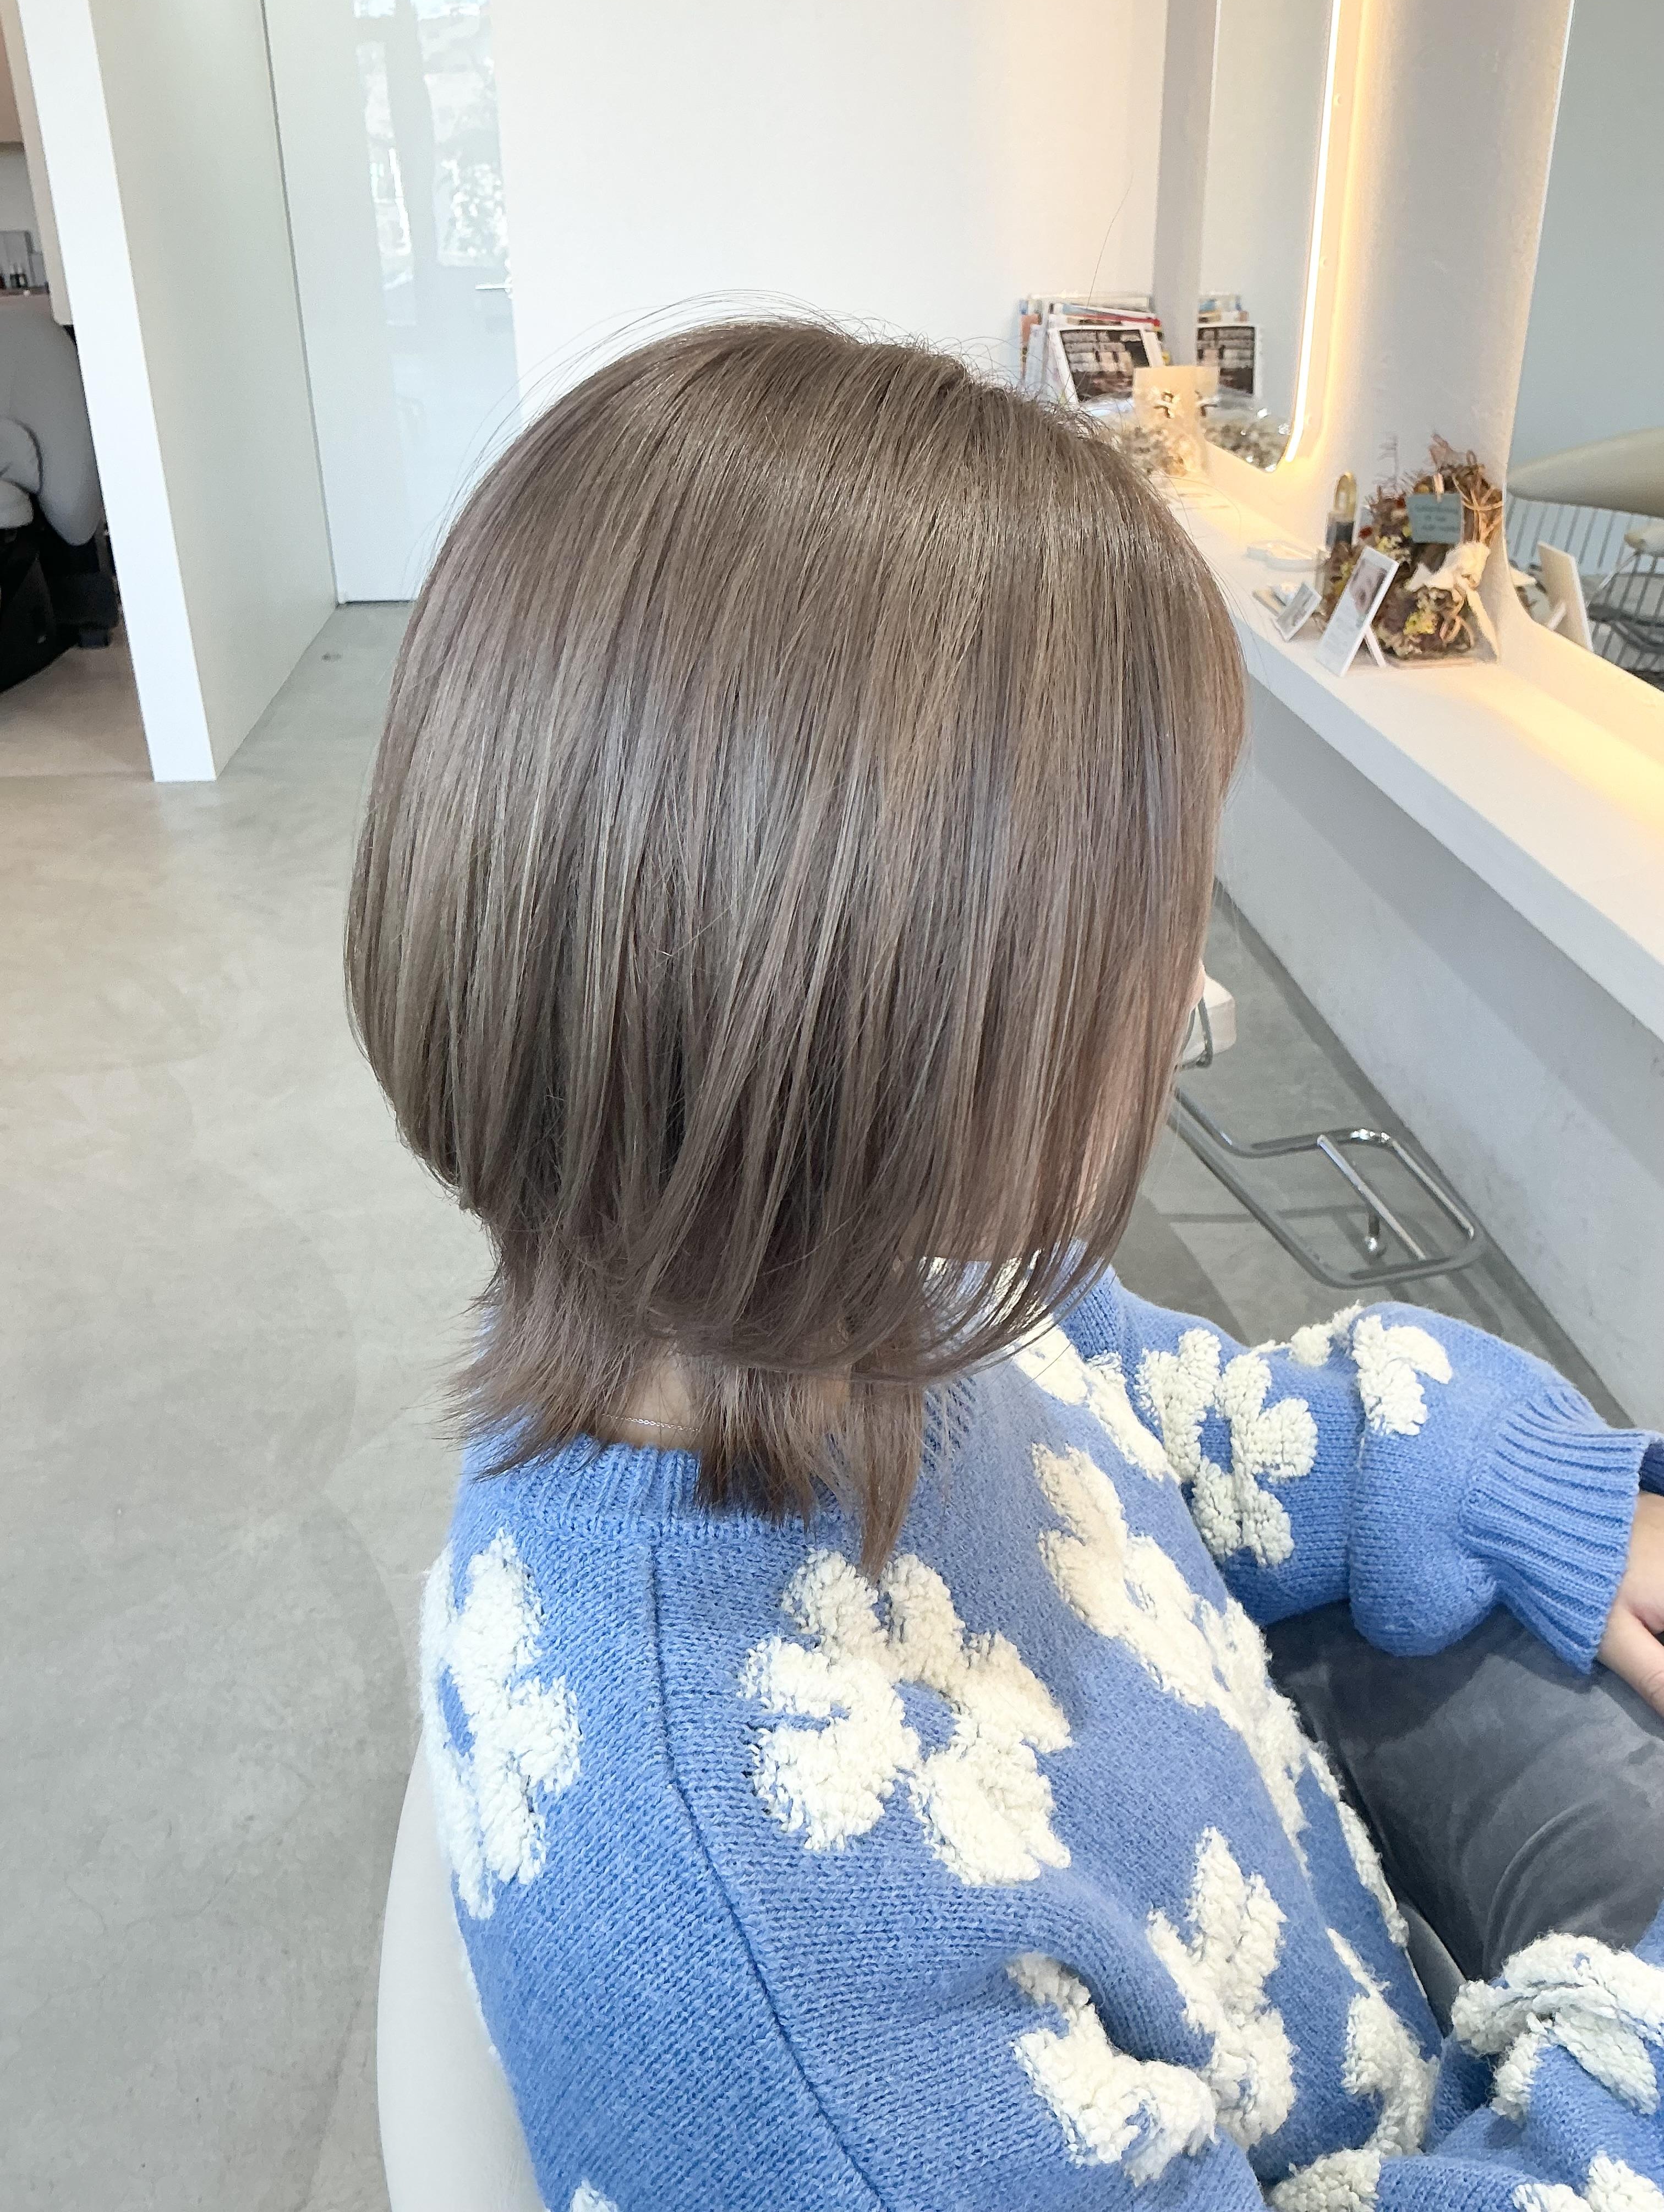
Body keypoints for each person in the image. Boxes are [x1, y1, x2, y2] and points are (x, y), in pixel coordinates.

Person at [345, 321, 1664, 2212]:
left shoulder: (866, 1283)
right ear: (888, 1008)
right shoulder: (796, 2007)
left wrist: (1526, 1489)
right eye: (1156, 911)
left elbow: (1182, 1414)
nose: (1191, 979)